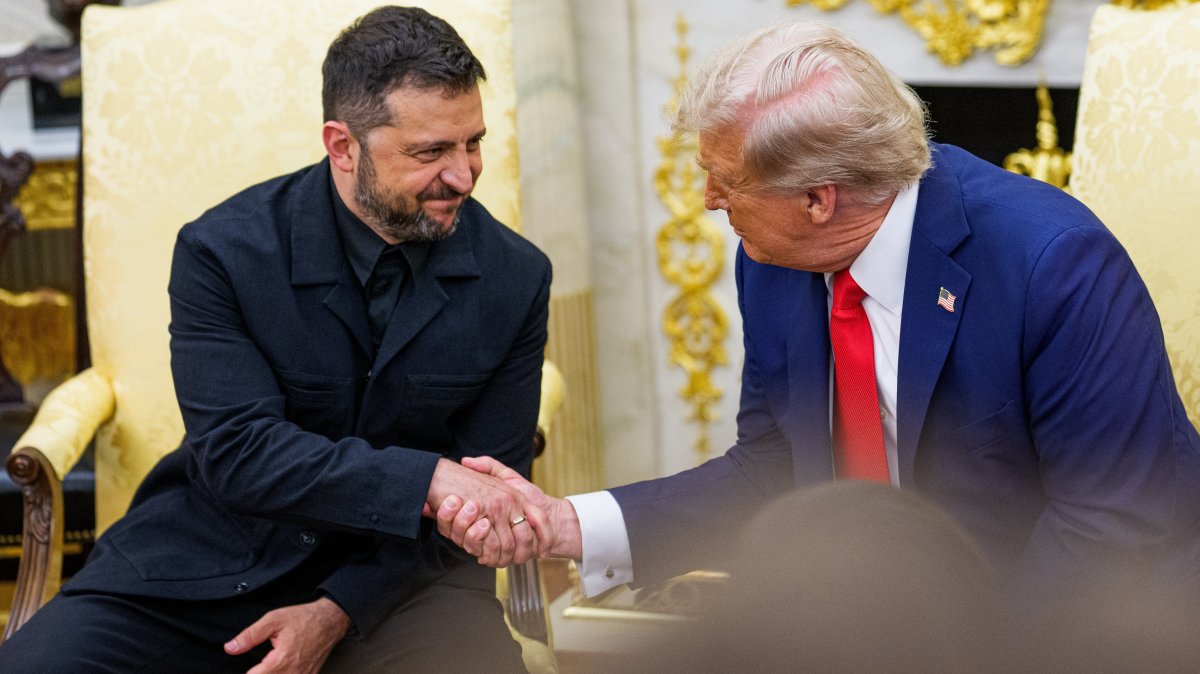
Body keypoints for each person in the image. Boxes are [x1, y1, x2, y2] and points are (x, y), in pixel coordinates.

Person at [441, 20, 1200, 607]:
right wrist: (571, 525)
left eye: (723, 178)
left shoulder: (1052, 265)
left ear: (817, 197)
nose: (708, 201)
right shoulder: (776, 263)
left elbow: (1111, 530)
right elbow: (774, 468)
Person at [0, 6, 551, 673]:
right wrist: (429, 478)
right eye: (430, 152)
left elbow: (489, 497)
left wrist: (338, 608)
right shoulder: (222, 252)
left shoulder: (516, 277)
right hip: (205, 562)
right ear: (342, 146)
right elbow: (238, 453)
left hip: (398, 583)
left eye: (472, 142)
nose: (463, 175)